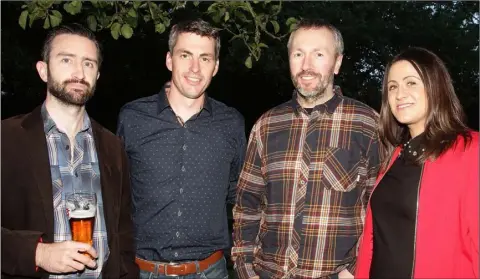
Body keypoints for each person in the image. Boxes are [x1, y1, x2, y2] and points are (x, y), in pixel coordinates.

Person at [232, 19, 380, 279]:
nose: (306, 65)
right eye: (298, 54)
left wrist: (354, 271)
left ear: (337, 62)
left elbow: (381, 208)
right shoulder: (266, 125)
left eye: (319, 54)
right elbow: (247, 206)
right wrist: (246, 270)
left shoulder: (367, 124)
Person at [1, 24, 138, 279]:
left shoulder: (112, 146)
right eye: (67, 60)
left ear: (97, 75)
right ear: (43, 70)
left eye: (89, 63)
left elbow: (123, 232)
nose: (79, 72)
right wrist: (37, 254)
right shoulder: (7, 139)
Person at [117, 19, 246, 279]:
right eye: (185, 55)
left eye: (205, 58)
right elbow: (116, 191)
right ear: (169, 60)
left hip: (210, 271)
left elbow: (239, 194)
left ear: (216, 66)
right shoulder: (133, 117)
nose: (195, 68)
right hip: (143, 271)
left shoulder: (231, 123)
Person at [355, 47, 479, 278]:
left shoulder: (470, 150)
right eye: (392, 87)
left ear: (436, 87)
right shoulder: (395, 157)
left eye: (411, 83)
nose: (399, 94)